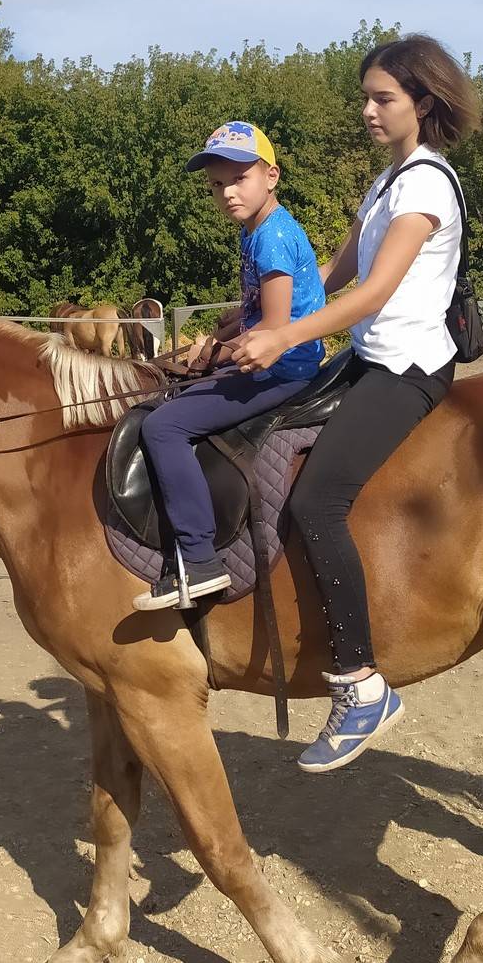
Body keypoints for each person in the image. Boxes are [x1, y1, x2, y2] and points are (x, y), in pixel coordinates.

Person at [230, 36, 481, 771]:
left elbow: (374, 292)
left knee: (317, 501)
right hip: (370, 357)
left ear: (422, 104)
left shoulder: (426, 185)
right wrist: (258, 311)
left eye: (383, 99)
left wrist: (285, 335)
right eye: (366, 98)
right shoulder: (387, 181)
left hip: (408, 368)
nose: (368, 111)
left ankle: (362, 683)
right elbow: (335, 270)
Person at [132, 121, 326, 611]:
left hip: (281, 368)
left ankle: (200, 560)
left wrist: (215, 353)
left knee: (163, 427)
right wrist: (233, 323)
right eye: (217, 184)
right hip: (277, 360)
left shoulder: (270, 238)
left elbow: (276, 330)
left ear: (271, 176)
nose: (228, 193)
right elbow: (267, 308)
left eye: (240, 178)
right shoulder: (258, 229)